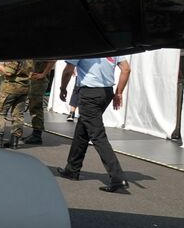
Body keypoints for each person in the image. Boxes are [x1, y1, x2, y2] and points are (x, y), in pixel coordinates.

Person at [56, 57, 132, 193]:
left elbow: (68, 71)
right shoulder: (112, 45)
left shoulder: (83, 45)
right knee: (82, 131)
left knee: (97, 135)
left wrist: (62, 88)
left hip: (89, 93)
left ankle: (117, 177)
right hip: (106, 92)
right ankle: (72, 169)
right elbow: (126, 69)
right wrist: (118, 92)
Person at [0, 59, 33, 146]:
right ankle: (14, 141)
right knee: (18, 115)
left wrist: (0, 67)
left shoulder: (15, 56)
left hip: (11, 87)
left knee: (1, 113)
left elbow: (9, 72)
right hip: (24, 87)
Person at [26, 59, 54, 144]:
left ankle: (37, 134)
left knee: (36, 107)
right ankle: (35, 132)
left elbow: (53, 59)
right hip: (34, 79)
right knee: (32, 106)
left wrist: (43, 74)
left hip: (39, 80)